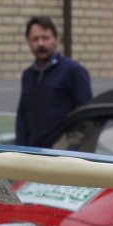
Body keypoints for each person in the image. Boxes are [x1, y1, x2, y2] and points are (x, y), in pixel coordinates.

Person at [15, 16, 92, 148]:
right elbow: (22, 116)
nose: (40, 44)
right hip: (33, 153)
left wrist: (65, 148)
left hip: (62, 155)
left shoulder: (73, 71)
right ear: (28, 42)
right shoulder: (28, 75)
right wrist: (20, 148)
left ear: (56, 39)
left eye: (45, 38)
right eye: (35, 39)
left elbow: (88, 117)